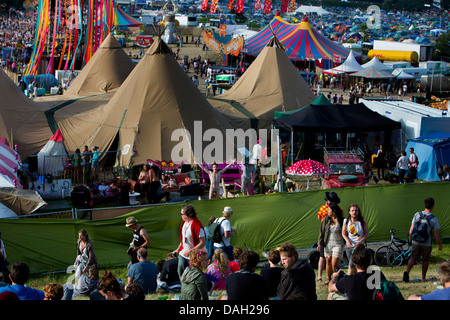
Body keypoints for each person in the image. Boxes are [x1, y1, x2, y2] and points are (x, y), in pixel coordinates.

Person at [403, 197, 442, 283]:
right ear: (433, 206)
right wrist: (439, 244)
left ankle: (407, 271)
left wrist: (410, 238)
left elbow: (412, 228)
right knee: (425, 260)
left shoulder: (417, 214)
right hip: (426, 243)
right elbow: (436, 235)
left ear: (425, 205)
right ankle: (423, 278)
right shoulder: (433, 219)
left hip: (415, 241)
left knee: (413, 258)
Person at [174, 205, 206, 279]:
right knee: (180, 271)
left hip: (193, 255)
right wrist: (178, 249)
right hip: (183, 253)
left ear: (187, 215)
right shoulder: (183, 223)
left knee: (194, 274)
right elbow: (183, 240)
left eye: (181, 214)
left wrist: (190, 251)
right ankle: (183, 287)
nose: (181, 215)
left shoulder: (197, 225)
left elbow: (202, 242)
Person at [316, 191, 341, 282]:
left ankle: (320, 276)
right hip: (329, 236)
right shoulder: (339, 209)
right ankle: (332, 277)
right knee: (330, 260)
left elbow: (319, 218)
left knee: (323, 258)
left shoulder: (322, 208)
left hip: (325, 236)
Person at [318, 202, 345, 284]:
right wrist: (320, 243)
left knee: (334, 263)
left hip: (338, 243)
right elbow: (321, 232)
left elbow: (345, 231)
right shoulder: (326, 219)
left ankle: (335, 279)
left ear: (334, 211)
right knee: (328, 261)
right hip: (328, 243)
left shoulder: (341, 220)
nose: (327, 211)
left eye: (329, 209)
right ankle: (329, 279)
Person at [342, 204, 369, 275]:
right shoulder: (346, 221)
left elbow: (366, 233)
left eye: (356, 210)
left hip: (359, 247)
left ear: (358, 212)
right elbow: (343, 233)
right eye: (352, 210)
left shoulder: (362, 221)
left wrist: (360, 242)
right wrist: (347, 241)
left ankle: (348, 281)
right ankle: (355, 279)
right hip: (350, 247)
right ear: (349, 212)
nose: (354, 212)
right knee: (354, 266)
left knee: (351, 265)